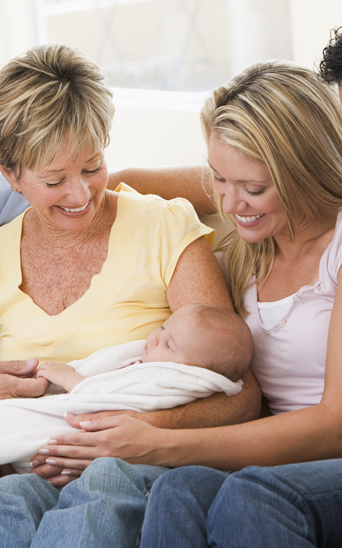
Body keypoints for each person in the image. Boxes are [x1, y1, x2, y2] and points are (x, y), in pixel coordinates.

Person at [35, 59, 342, 547]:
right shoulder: (252, 230)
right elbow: (122, 184)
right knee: (177, 491)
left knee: (250, 495)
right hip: (268, 459)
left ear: (302, 170)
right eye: (218, 178)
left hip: (323, 458)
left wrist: (161, 444)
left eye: (254, 188)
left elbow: (334, 425)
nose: (231, 203)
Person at [0, 43, 260, 547]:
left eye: (93, 167)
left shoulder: (162, 226)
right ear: (11, 174)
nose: (81, 196)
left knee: (104, 484)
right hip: (22, 468)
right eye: (54, 180)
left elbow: (239, 394)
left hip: (131, 464)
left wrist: (130, 432)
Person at [0, 304, 252, 473]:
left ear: (197, 373)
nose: (153, 337)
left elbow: (110, 401)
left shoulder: (172, 381)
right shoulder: (155, 360)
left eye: (169, 345)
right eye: (163, 327)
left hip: (80, 444)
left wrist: (72, 380)